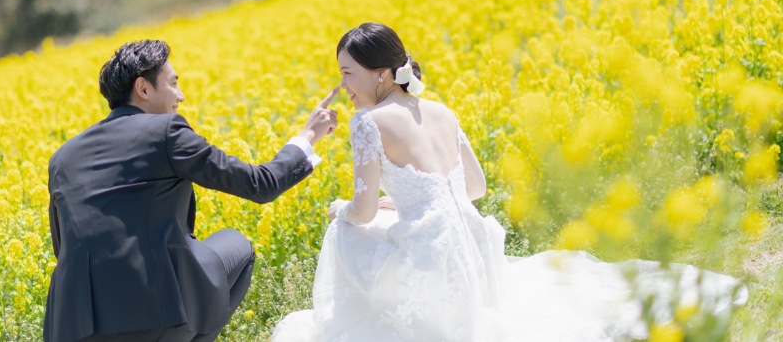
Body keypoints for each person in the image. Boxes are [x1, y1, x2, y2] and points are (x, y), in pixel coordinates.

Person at [272, 22, 747, 342]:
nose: (344, 86)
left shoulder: (369, 123)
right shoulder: (441, 110)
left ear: (380, 74)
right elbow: (472, 189)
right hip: (472, 245)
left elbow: (365, 210)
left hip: (429, 257)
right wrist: (411, 204)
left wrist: (340, 210)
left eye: (347, 74)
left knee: (346, 228)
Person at [44, 39, 339, 342]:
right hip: (155, 314)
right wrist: (307, 138)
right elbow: (260, 184)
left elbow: (63, 248)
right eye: (173, 84)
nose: (181, 96)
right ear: (143, 89)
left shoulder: (62, 157)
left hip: (72, 326)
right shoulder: (165, 131)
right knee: (237, 245)